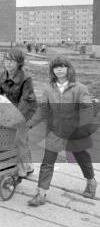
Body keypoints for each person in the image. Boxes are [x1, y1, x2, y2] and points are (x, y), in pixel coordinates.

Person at [25, 56, 97, 206]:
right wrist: (30, 124)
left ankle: (91, 181)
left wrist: (83, 127)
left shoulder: (79, 88)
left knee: (81, 157)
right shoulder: (48, 89)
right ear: (52, 71)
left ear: (68, 69)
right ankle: (41, 193)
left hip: (75, 131)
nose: (58, 69)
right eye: (55, 67)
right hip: (55, 131)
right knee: (47, 162)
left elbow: (86, 109)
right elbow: (43, 110)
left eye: (62, 66)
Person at [0, 49, 37, 182]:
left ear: (19, 63)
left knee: (18, 138)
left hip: (27, 109)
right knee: (19, 139)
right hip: (12, 107)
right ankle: (28, 166)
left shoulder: (26, 78)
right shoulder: (2, 75)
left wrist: (15, 118)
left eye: (12, 61)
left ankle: (21, 171)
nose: (8, 63)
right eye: (6, 60)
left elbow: (26, 100)